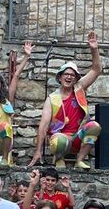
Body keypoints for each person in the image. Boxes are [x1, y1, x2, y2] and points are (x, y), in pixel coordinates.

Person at [29, 31, 102, 169]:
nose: (69, 77)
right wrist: (38, 151)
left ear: (76, 78)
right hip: (61, 139)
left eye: (72, 75)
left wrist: (94, 49)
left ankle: (79, 160)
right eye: (66, 74)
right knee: (57, 140)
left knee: (95, 126)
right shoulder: (52, 99)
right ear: (60, 77)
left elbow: (97, 69)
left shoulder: (79, 88)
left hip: (78, 138)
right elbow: (43, 126)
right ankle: (59, 158)